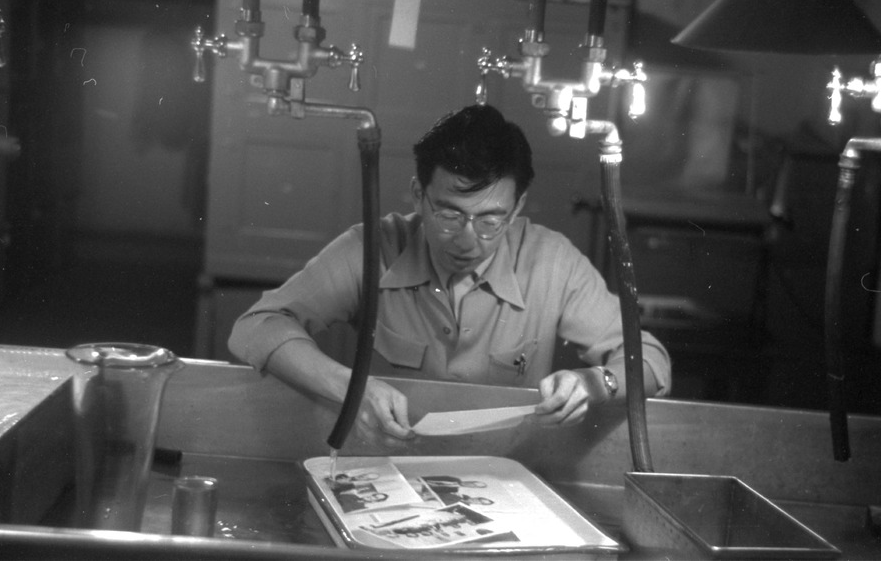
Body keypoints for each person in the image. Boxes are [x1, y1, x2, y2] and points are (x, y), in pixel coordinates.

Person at [229, 104, 671, 443]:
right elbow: (256, 327)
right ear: (419, 194)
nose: (467, 240)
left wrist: (595, 382)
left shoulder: (552, 261)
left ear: (517, 207)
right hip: (389, 475)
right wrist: (351, 387)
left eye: (491, 220)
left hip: (504, 481)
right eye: (449, 214)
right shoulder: (373, 249)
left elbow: (650, 359)